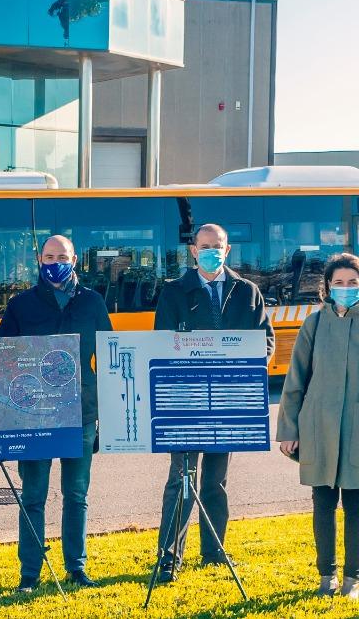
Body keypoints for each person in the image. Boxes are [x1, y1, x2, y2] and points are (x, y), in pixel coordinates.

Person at [153, 223, 274, 580]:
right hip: (186, 403)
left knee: (215, 482)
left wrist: (243, 366)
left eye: (216, 246)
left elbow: (265, 343)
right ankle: (169, 556)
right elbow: (162, 343)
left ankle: (214, 552)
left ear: (227, 249)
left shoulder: (247, 291)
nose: (211, 251)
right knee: (181, 480)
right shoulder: (174, 292)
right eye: (204, 246)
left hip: (229, 401)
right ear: (193, 250)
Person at [0, 235, 113, 592]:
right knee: (33, 497)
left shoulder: (93, 302)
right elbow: (2, 357)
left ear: (75, 259)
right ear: (39, 258)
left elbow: (109, 356)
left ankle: (76, 568)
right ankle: (29, 573)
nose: (55, 262)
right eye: (49, 256)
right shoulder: (20, 305)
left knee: (76, 495)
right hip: (34, 416)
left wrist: (108, 417)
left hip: (81, 412)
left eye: (61, 256)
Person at [278, 252, 359, 597]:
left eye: (352, 282)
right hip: (318, 427)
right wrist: (288, 429)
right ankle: (327, 575)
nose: (345, 288)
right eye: (338, 282)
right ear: (327, 286)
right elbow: (295, 379)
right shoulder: (313, 324)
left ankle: (353, 579)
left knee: (356, 507)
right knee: (323, 504)